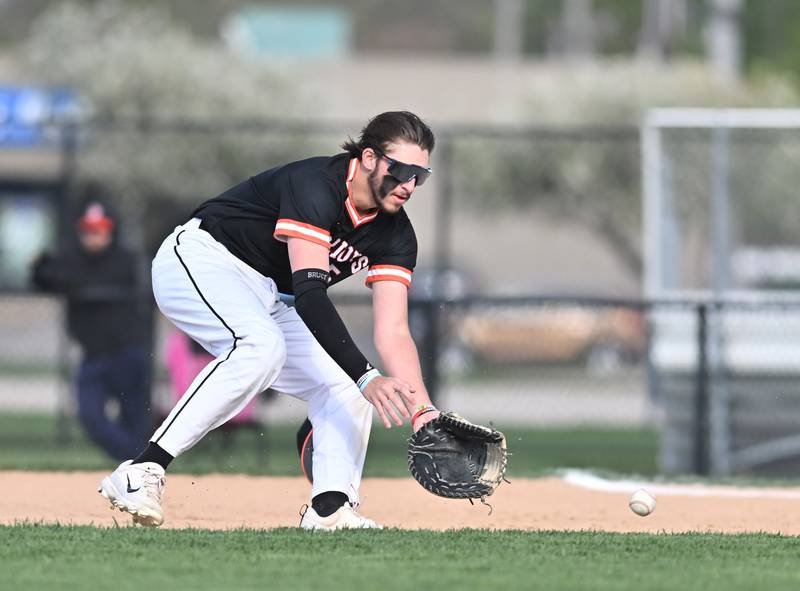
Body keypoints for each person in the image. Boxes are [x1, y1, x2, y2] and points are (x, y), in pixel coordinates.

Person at [98, 111, 442, 530]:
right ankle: (141, 470)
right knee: (264, 348)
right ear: (368, 158)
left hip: (271, 296)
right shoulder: (316, 185)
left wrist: (423, 410)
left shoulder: (396, 234)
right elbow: (312, 295)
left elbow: (394, 331)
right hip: (203, 259)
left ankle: (330, 510)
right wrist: (369, 375)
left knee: (345, 384)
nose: (409, 184)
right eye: (402, 170)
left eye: (419, 176)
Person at [32, 201, 150, 461]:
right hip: (94, 356)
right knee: (90, 415)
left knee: (135, 420)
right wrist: (40, 267)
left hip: (127, 353)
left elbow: (95, 279)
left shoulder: (125, 259)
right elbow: (47, 280)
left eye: (99, 229)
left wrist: (67, 279)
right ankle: (137, 461)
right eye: (88, 229)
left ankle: (138, 466)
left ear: (110, 230)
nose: (93, 235)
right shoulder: (72, 258)